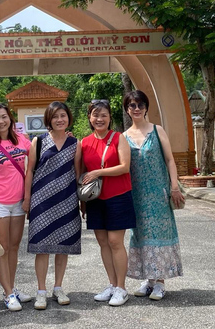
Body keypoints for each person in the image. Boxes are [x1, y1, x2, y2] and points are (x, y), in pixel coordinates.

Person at [122, 90, 183, 301]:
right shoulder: (124, 137)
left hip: (158, 192)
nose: (136, 109)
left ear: (146, 107)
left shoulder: (157, 130)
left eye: (140, 105)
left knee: (160, 234)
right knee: (141, 234)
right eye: (132, 105)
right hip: (136, 194)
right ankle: (148, 279)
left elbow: (170, 160)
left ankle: (160, 283)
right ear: (127, 109)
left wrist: (174, 187)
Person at [23, 101, 82, 310]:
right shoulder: (38, 142)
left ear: (68, 118)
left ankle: (58, 287)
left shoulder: (75, 143)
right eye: (55, 116)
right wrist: (27, 198)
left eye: (63, 116)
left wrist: (81, 201)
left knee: (62, 248)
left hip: (67, 201)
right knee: (42, 249)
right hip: (41, 202)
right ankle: (41, 291)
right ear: (49, 119)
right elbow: (29, 171)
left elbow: (77, 173)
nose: (60, 120)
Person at [80, 99, 135, 307]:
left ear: (110, 117)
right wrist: (82, 202)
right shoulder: (84, 142)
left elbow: (124, 167)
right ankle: (112, 285)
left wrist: (98, 172)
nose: (99, 118)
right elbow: (81, 173)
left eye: (104, 115)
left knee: (115, 242)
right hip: (95, 199)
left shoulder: (118, 138)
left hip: (118, 195)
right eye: (95, 114)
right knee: (103, 243)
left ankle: (121, 288)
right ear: (89, 118)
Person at [0, 103, 32, 311]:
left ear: (10, 118)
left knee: (13, 247)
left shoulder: (23, 141)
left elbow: (36, 163)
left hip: (18, 203)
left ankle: (11, 287)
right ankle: (8, 293)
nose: (1, 121)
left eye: (4, 117)